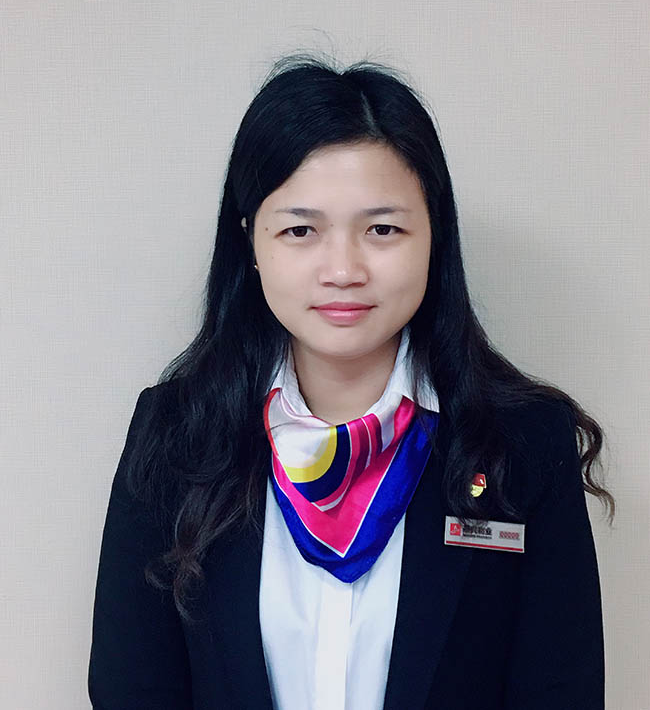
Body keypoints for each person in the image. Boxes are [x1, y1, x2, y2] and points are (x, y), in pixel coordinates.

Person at [88, 55, 612, 710]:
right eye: (300, 230)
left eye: (382, 229)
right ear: (251, 242)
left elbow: (560, 693)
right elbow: (133, 690)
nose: (343, 269)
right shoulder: (174, 435)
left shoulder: (524, 443)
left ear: (433, 235)